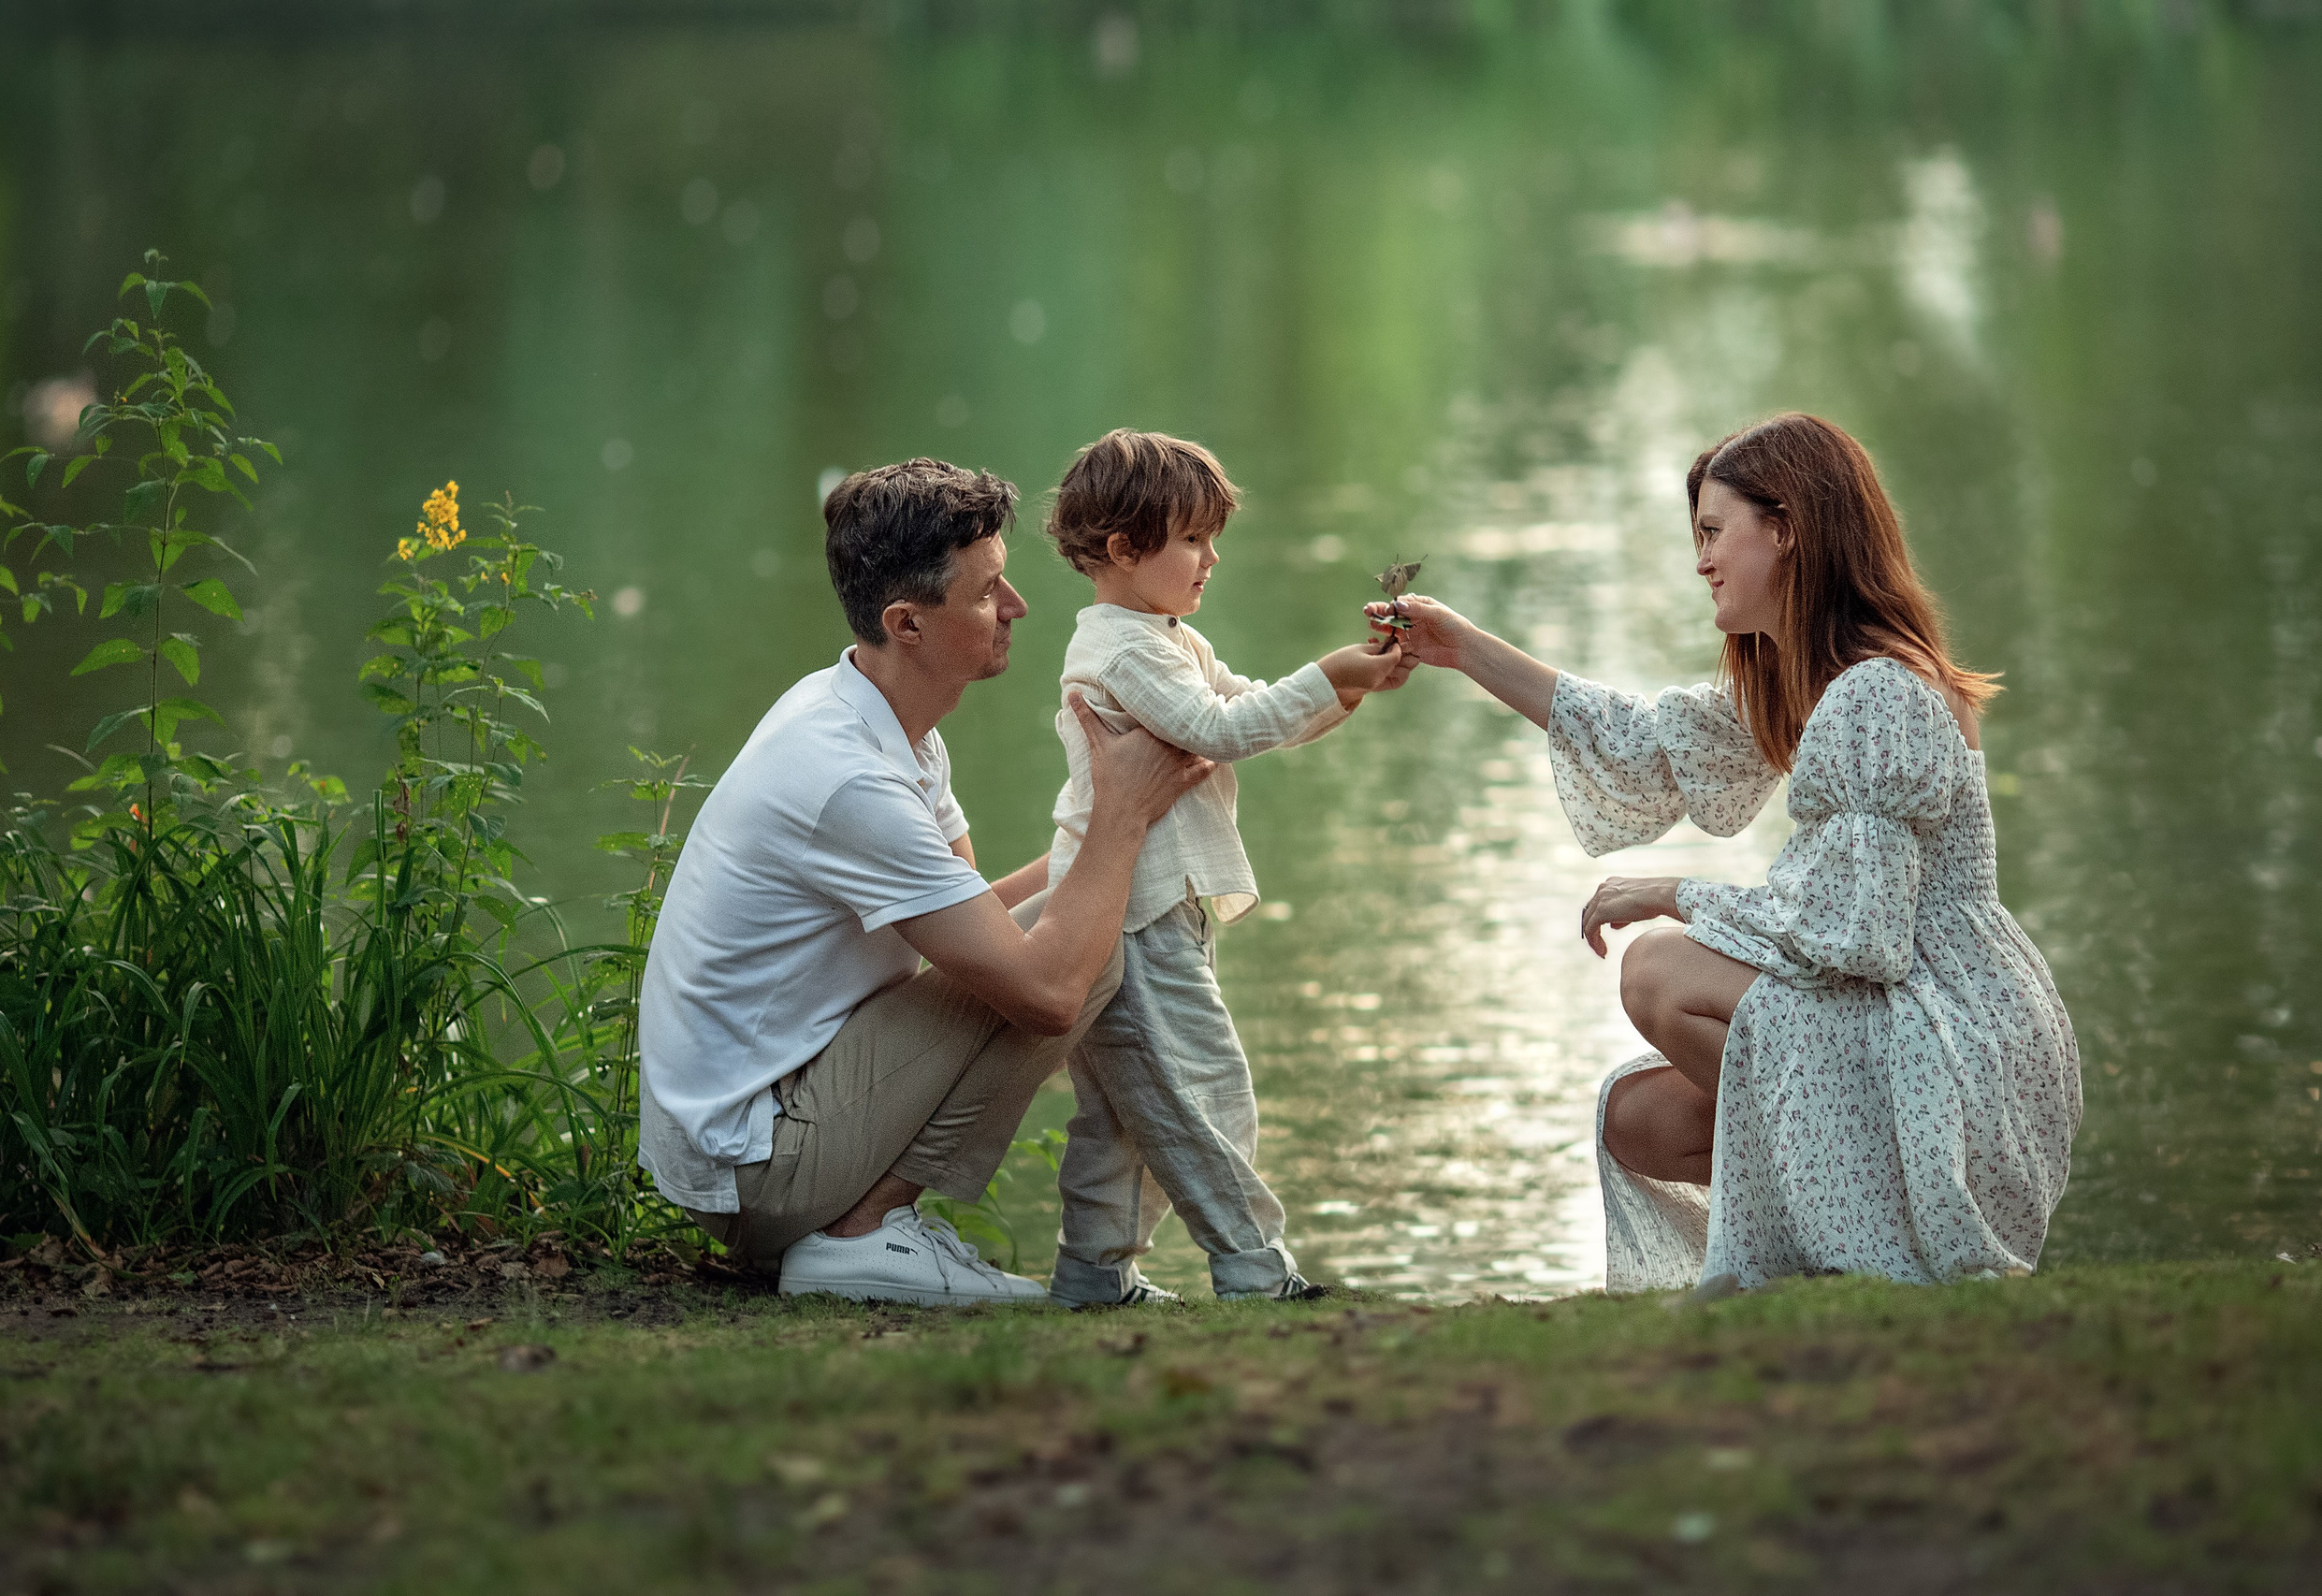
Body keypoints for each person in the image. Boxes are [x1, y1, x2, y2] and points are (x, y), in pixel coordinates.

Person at [1371, 413, 2080, 1291]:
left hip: (1949, 1026)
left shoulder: (1881, 692)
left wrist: (1673, 893)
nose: (1701, 560)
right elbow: (1642, 744)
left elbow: (1856, 933)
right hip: (1896, 1010)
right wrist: (1463, 649)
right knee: (1639, 1119)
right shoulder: (1815, 687)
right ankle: (1836, 1240)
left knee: (1658, 970)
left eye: (1714, 533)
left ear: (1786, 530)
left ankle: (1872, 1238)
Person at [637, 457, 1215, 1306]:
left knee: (1088, 914)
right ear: (906, 624)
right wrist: (1119, 820)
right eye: (987, 594)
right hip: (757, 1164)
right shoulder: (847, 779)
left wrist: (1115, 835)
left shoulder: (882, 717)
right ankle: (862, 1232)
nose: (1017, 607)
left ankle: (879, 1228)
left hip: (793, 1106)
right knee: (1094, 948)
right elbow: (1046, 993)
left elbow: (980, 919)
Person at [1039, 429, 1411, 1306]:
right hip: (1129, 915)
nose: (1212, 558)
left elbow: (1244, 707)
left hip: (1152, 909)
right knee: (1204, 1093)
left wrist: (1350, 686)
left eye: (1212, 537)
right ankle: (1253, 1270)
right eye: (1193, 540)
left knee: (1128, 1116)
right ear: (1125, 549)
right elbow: (1216, 732)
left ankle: (1092, 1277)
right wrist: (1329, 673)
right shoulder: (1123, 651)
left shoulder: (1159, 636)